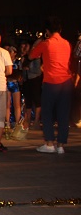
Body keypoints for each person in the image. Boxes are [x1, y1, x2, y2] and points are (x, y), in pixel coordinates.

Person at [29, 17, 74, 154]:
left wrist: (37, 44)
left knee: (47, 113)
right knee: (63, 114)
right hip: (66, 81)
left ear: (47, 31)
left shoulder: (46, 43)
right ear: (60, 29)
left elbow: (31, 56)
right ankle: (61, 145)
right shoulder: (67, 43)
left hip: (51, 81)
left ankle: (49, 143)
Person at [19, 39, 42, 130]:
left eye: (27, 46)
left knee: (37, 100)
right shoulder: (24, 57)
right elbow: (21, 69)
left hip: (34, 80)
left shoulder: (36, 57)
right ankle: (27, 120)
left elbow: (38, 71)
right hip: (26, 80)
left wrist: (29, 69)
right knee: (28, 101)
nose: (25, 48)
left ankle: (36, 120)